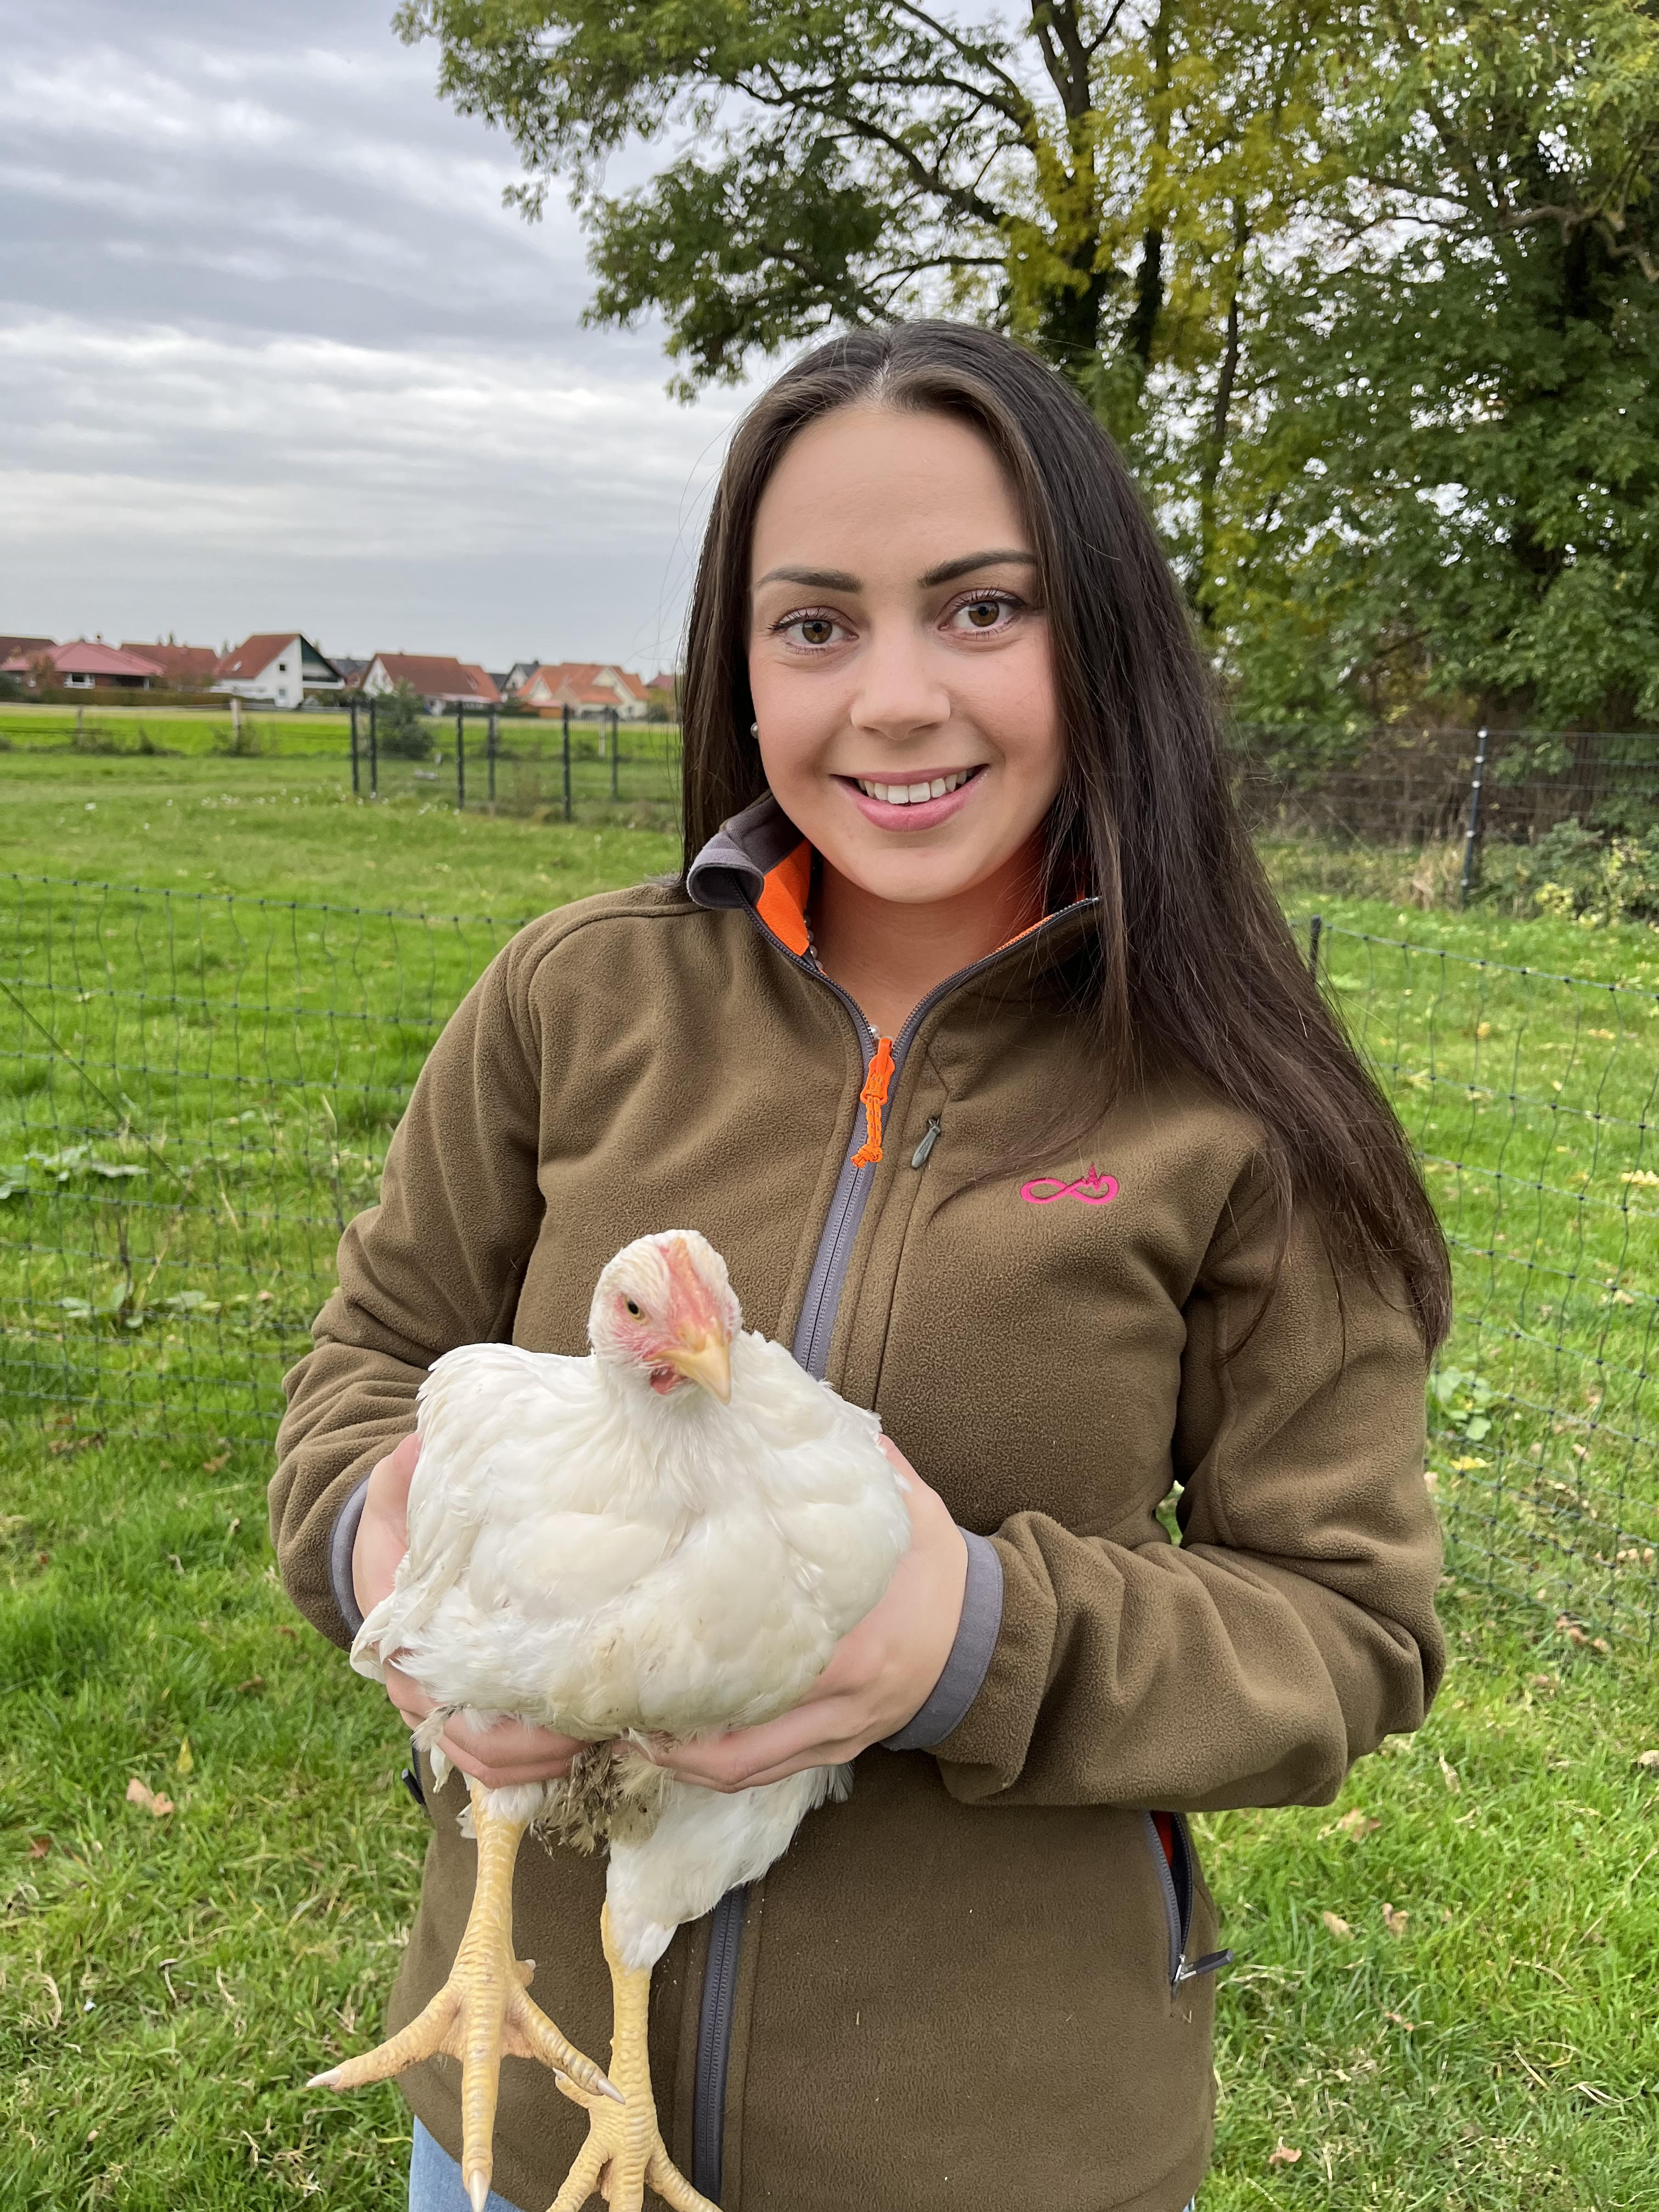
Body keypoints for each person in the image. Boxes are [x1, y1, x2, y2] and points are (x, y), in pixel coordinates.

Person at [271, 319, 1449, 2212]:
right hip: (529, 2115)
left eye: (984, 608)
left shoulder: (1235, 1102)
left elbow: (1351, 1631)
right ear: (740, 666)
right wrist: (401, 1574)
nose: (893, 697)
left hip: (992, 2152)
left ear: (1109, 641)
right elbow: (367, 1364)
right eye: (815, 624)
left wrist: (962, 1640)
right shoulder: (580, 1002)